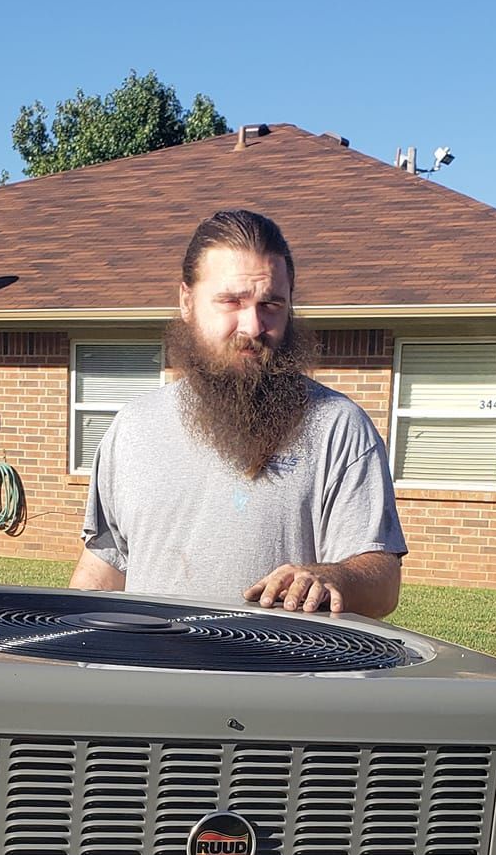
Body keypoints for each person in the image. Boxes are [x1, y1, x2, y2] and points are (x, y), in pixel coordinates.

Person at [70, 209, 406, 616]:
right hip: (148, 677)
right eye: (232, 301)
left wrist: (332, 578)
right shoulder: (133, 428)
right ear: (187, 301)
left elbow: (382, 580)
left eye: (271, 304)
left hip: (276, 676)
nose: (252, 325)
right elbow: (107, 566)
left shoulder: (338, 427)